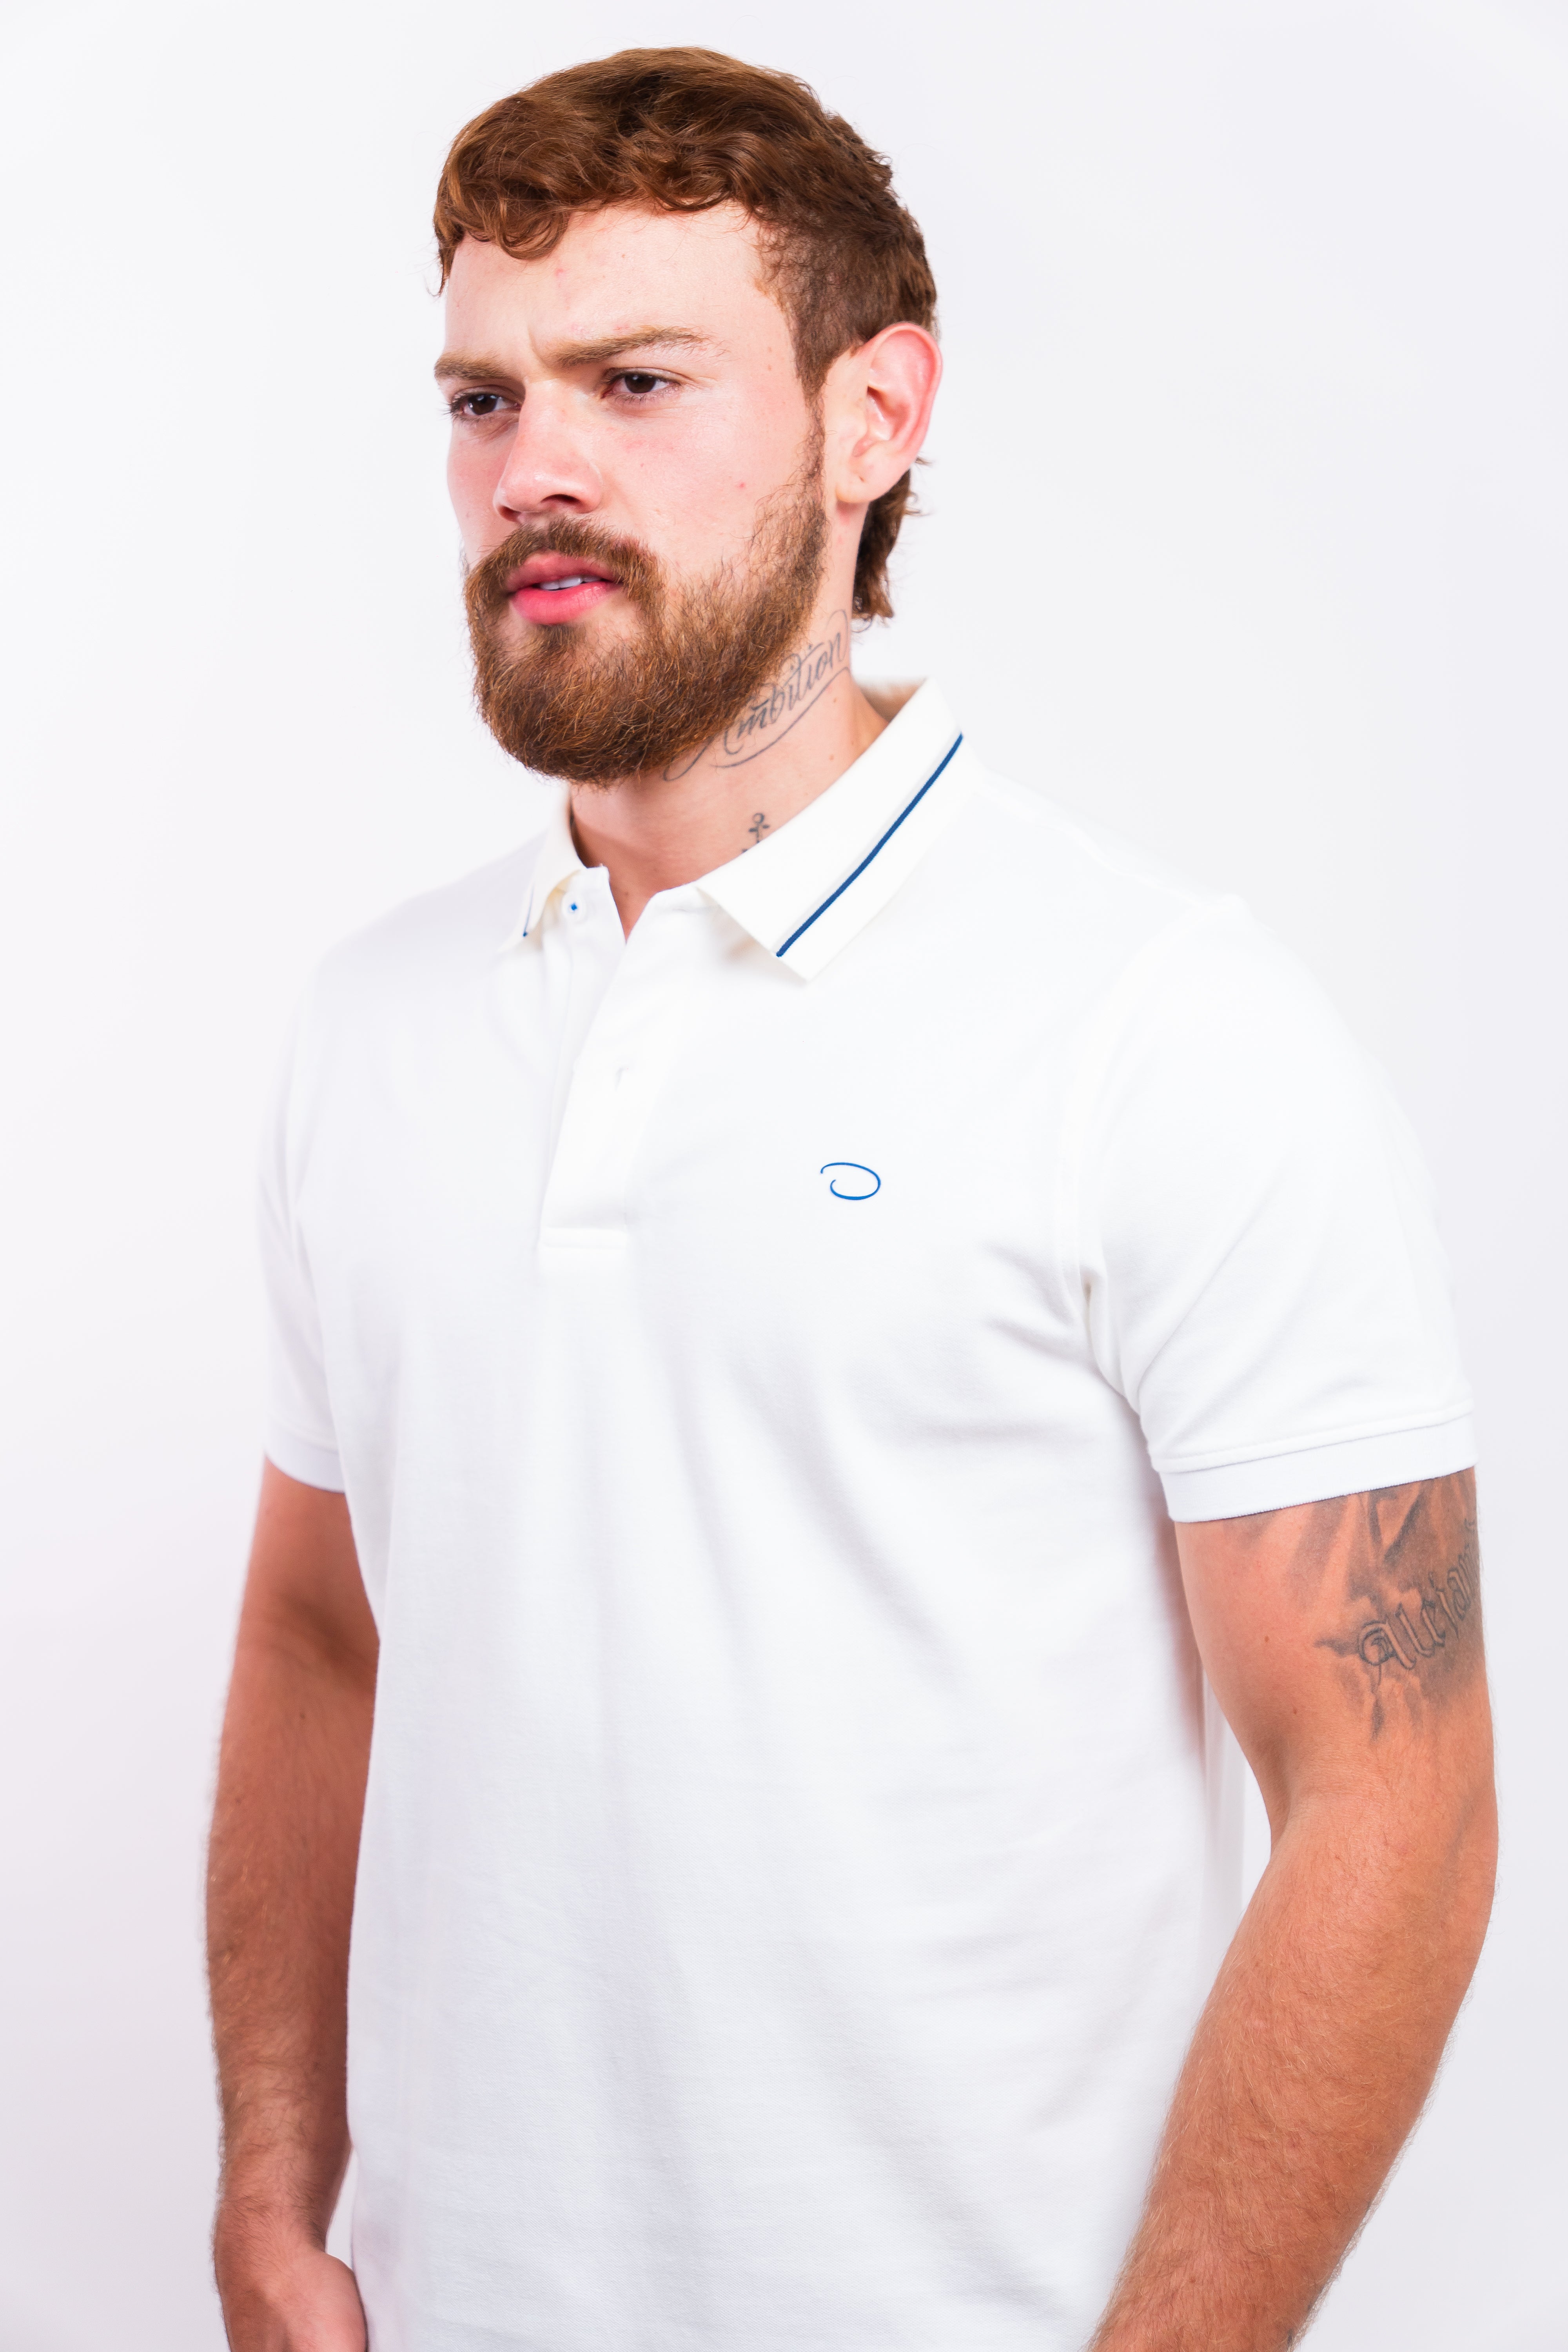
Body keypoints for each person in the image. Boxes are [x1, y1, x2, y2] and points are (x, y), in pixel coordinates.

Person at [206, 47, 1495, 2352]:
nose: (536, 469)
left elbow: (1395, 1799)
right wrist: (270, 2190)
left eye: (635, 382)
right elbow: (323, 1635)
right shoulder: (372, 1026)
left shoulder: (1156, 1026)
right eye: (486, 401)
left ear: (873, 418)